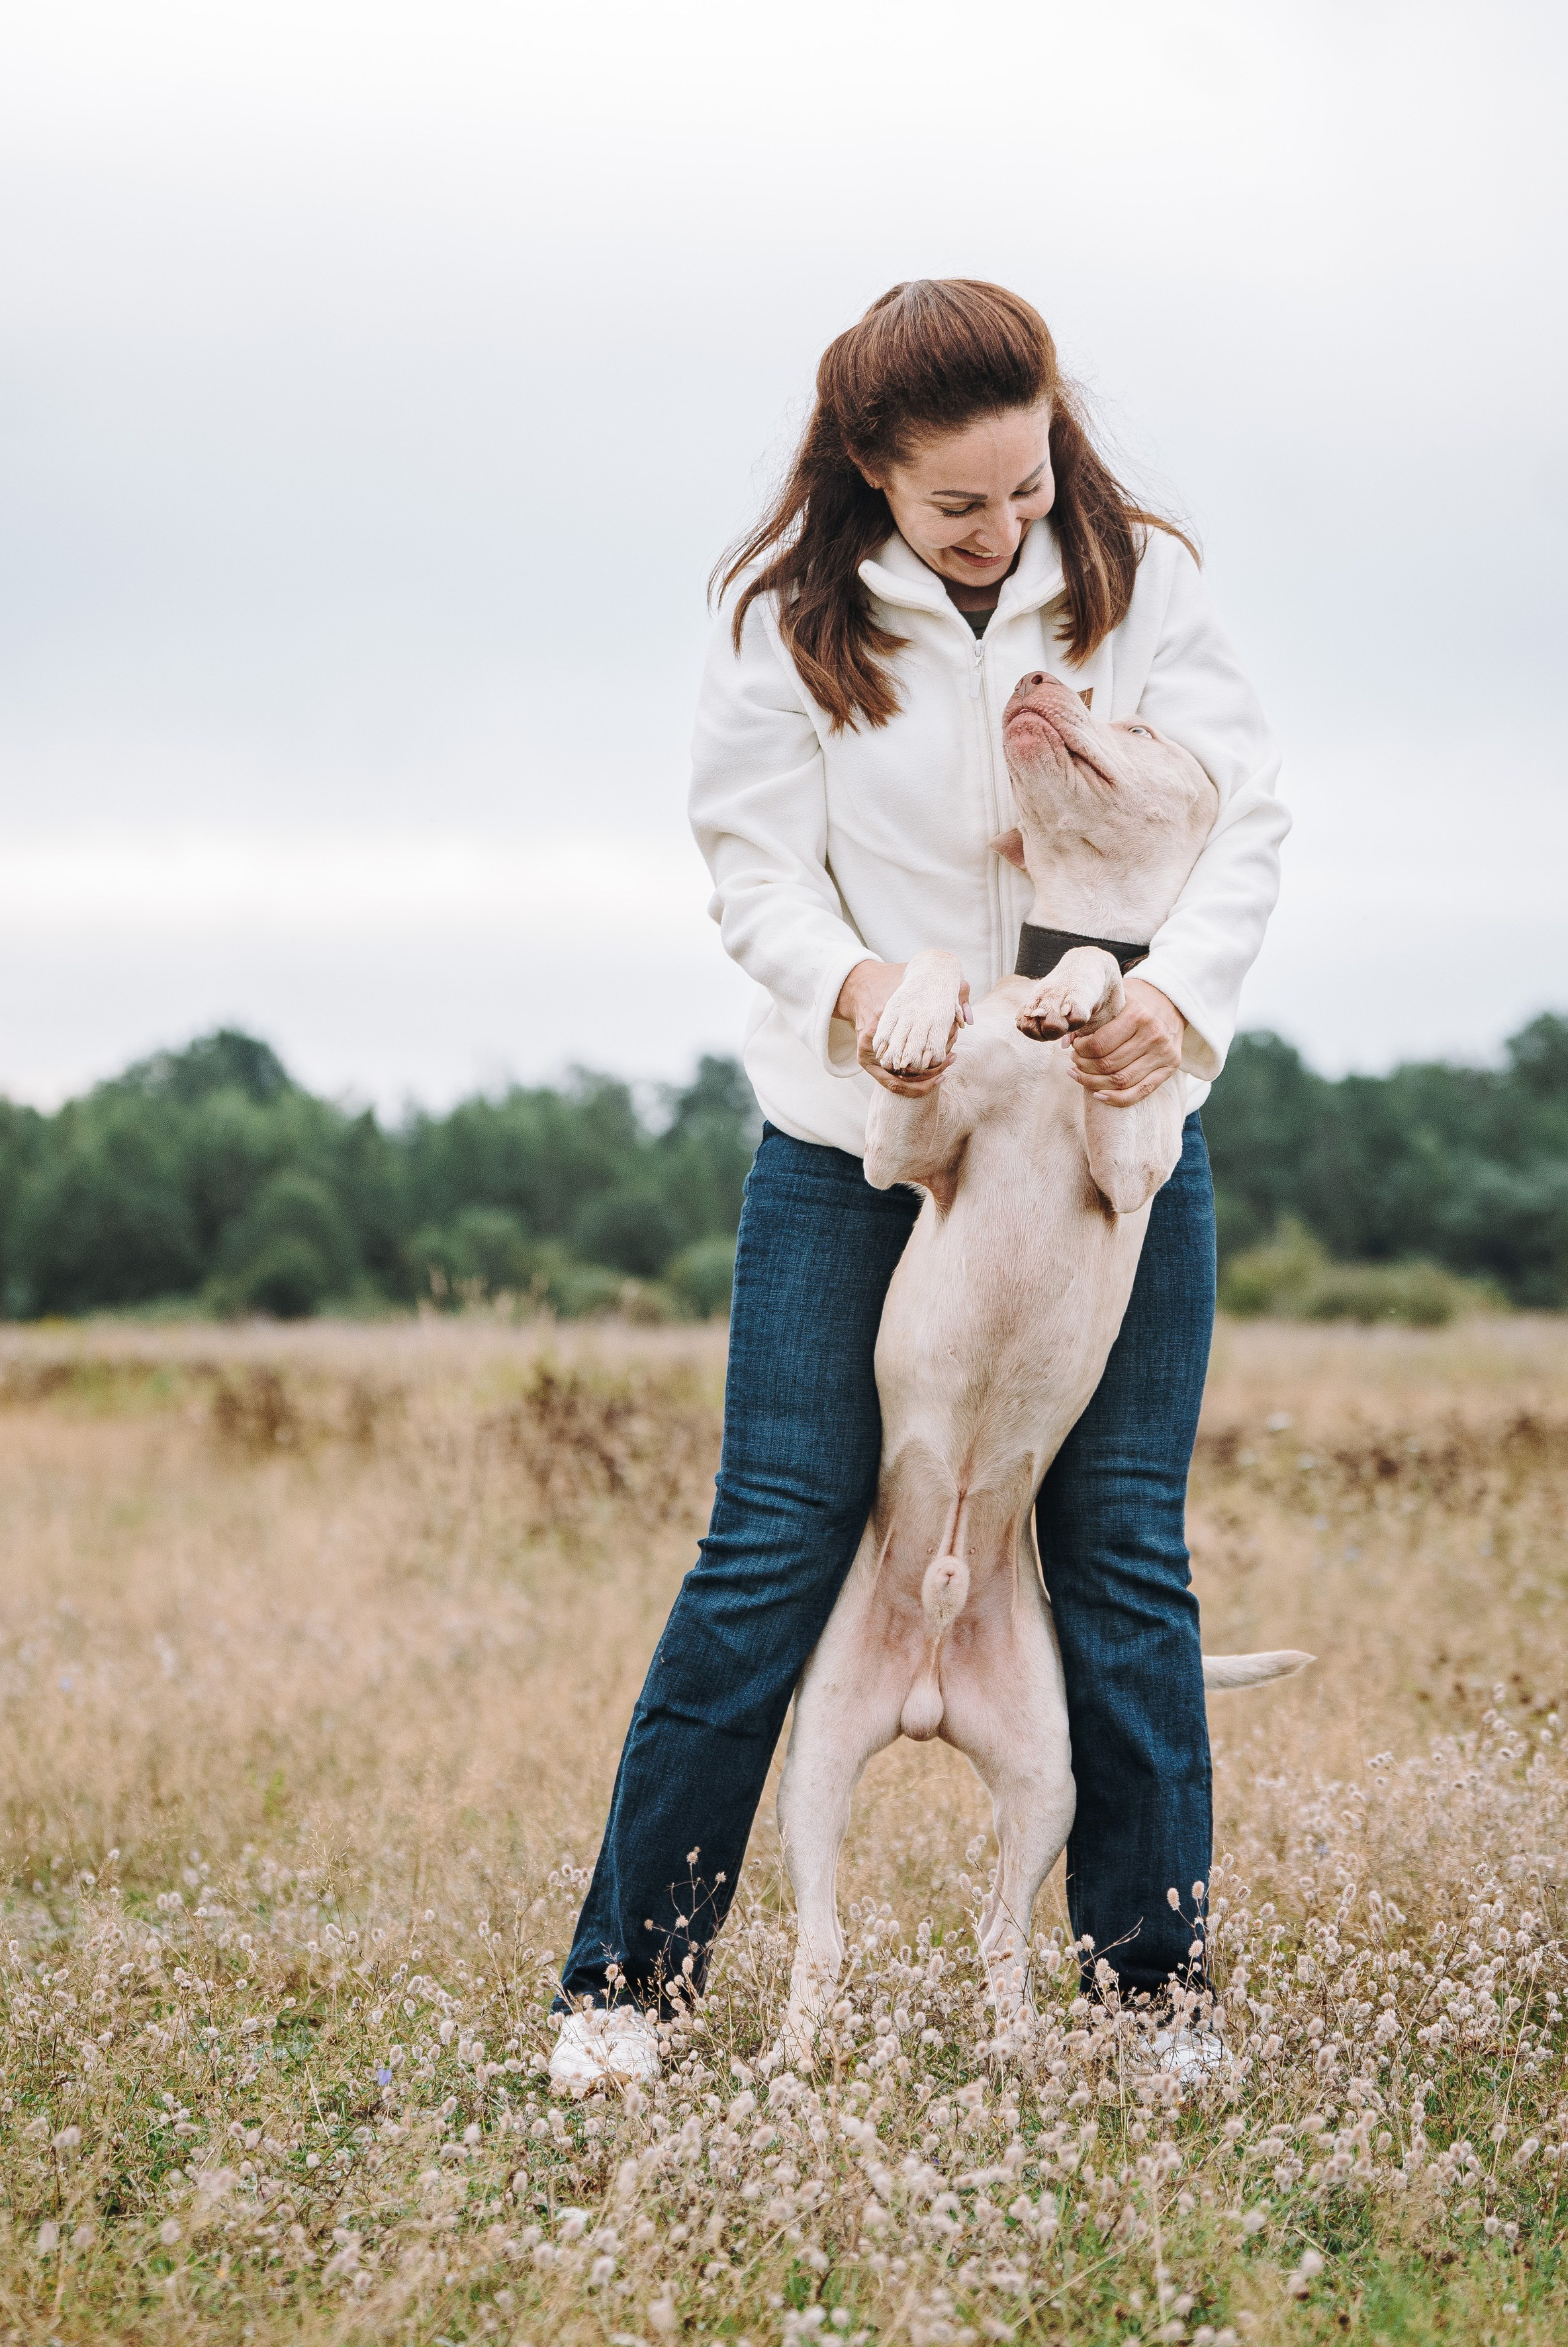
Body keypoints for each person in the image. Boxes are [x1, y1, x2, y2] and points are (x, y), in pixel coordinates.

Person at [551, 277, 1287, 2093]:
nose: (1006, 526)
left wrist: (1175, 1008)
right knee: (773, 1541)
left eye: (1028, 485)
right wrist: (864, 994)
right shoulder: (785, 620)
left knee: (1121, 1557)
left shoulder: (1142, 583)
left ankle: (1154, 2003)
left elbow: (1240, 818)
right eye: (962, 503)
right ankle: (625, 1996)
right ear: (870, 467)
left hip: (1110, 1142)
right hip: (853, 1141)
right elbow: (755, 874)